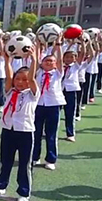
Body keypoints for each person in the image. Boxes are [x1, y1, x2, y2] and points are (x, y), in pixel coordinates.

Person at [0, 46, 39, 201]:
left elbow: (32, 79)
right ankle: (0, 185)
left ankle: (24, 193)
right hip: (8, 130)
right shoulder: (11, 91)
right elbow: (9, 76)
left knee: (25, 164)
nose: (20, 82)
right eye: (18, 79)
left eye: (24, 80)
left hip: (25, 131)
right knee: (5, 160)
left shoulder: (32, 94)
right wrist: (7, 60)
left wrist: (33, 59)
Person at [32, 37, 65, 170]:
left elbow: (61, 59)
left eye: (51, 61)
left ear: (55, 64)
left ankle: (51, 159)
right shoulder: (38, 72)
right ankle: (35, 157)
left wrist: (58, 44)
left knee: (51, 134)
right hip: (38, 105)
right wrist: (38, 44)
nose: (49, 63)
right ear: (42, 63)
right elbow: (36, 58)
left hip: (53, 105)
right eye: (46, 61)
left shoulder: (57, 73)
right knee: (36, 132)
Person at [61, 45, 88, 142]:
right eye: (66, 57)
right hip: (60, 91)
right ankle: (46, 131)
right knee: (54, 112)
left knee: (70, 113)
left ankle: (70, 133)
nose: (68, 59)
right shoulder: (60, 66)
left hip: (71, 91)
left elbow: (83, 54)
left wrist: (82, 42)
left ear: (75, 58)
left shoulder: (76, 66)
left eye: (71, 57)